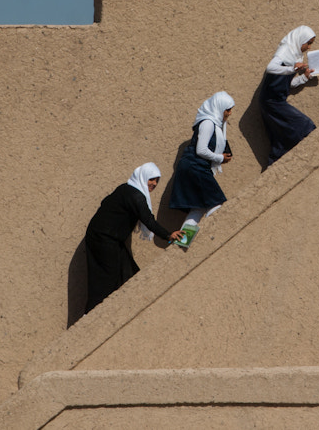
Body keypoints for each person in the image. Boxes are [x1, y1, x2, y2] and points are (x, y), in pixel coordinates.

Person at [84, 162, 184, 313]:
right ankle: (89, 318)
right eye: (151, 179)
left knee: (129, 274)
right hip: (104, 240)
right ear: (143, 177)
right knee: (105, 281)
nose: (154, 184)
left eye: (157, 180)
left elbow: (105, 203)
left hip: (107, 239)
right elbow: (148, 220)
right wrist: (169, 235)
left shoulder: (125, 189)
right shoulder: (136, 196)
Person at [169, 91, 235, 248]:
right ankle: (219, 236)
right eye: (228, 109)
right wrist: (219, 158)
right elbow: (201, 150)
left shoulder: (216, 124)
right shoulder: (207, 123)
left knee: (198, 208)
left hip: (196, 167)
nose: (229, 113)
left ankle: (182, 244)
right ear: (219, 107)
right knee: (216, 204)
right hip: (194, 167)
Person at [259, 25, 318, 166]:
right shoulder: (285, 50)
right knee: (306, 125)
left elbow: (287, 83)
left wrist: (304, 77)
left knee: (281, 139)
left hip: (276, 101)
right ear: (300, 39)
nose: (309, 47)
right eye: (308, 43)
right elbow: (271, 67)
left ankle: (273, 167)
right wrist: (292, 68)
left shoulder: (295, 54)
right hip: (271, 101)